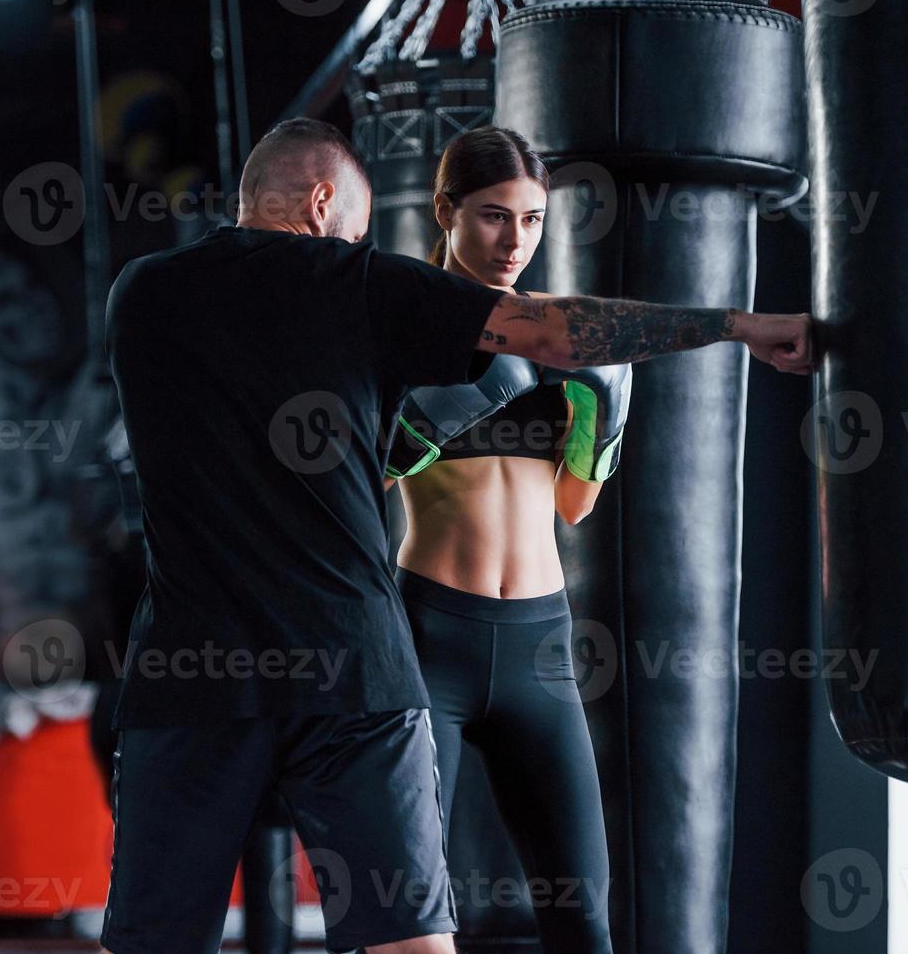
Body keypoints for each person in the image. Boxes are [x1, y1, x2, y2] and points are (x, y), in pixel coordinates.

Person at [98, 116, 813, 954]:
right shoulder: (362, 287)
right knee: (414, 944)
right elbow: (552, 328)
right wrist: (736, 325)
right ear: (324, 203)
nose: (357, 249)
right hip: (358, 667)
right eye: (355, 235)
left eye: (531, 219)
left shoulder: (142, 292)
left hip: (196, 667)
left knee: (150, 942)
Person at [378, 126, 621, 951]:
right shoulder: (400, 329)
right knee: (410, 915)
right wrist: (421, 423)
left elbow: (573, 506)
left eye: (531, 219)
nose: (514, 240)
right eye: (492, 217)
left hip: (541, 648)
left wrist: (603, 420)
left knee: (582, 916)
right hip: (429, 637)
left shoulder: (556, 338)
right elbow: (344, 484)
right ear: (445, 211)